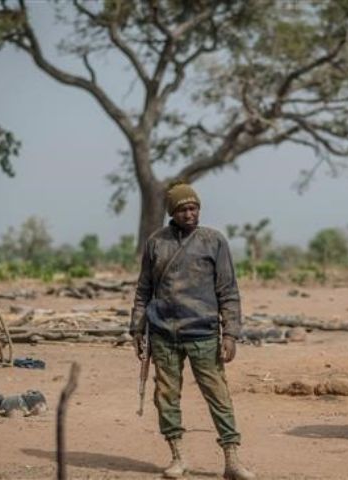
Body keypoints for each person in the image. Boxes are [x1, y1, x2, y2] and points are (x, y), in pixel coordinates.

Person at [130, 182, 256, 479]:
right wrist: (137, 328)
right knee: (165, 396)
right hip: (163, 334)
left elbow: (228, 291)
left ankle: (232, 460)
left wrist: (231, 334)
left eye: (194, 207)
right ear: (172, 212)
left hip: (203, 333)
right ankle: (178, 457)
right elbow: (143, 289)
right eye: (183, 209)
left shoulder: (214, 241)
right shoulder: (155, 242)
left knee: (218, 395)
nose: (190, 213)